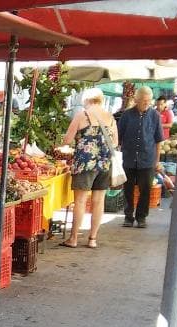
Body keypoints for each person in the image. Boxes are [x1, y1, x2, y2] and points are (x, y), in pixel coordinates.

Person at [61, 88, 117, 249]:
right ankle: (92, 239)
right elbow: (115, 142)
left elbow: (67, 139)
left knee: (80, 200)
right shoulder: (111, 118)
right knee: (99, 201)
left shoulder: (82, 115)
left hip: (85, 163)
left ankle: (73, 238)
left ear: (87, 100)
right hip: (105, 164)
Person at [116, 86, 163, 228]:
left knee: (146, 189)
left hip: (147, 158)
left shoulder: (155, 115)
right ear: (136, 100)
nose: (146, 103)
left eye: (148, 101)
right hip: (129, 157)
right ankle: (128, 216)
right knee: (128, 189)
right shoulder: (127, 115)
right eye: (143, 100)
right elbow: (119, 136)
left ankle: (141, 217)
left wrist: (157, 160)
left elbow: (158, 139)